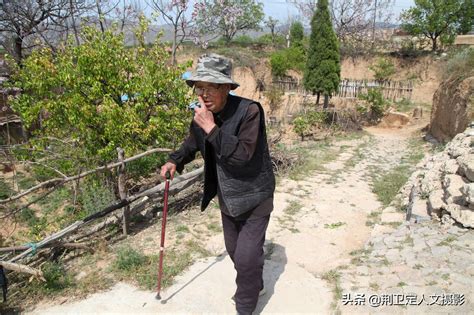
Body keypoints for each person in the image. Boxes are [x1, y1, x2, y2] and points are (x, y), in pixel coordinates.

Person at [160, 53, 275, 315]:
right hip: (227, 197)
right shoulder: (203, 116)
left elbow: (243, 156)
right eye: (200, 87)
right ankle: (254, 284)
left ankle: (244, 307)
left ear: (226, 88)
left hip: (255, 195)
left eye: (211, 87)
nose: (204, 94)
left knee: (246, 259)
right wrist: (174, 160)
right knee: (235, 251)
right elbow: (192, 143)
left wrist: (212, 129)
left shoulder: (250, 111)